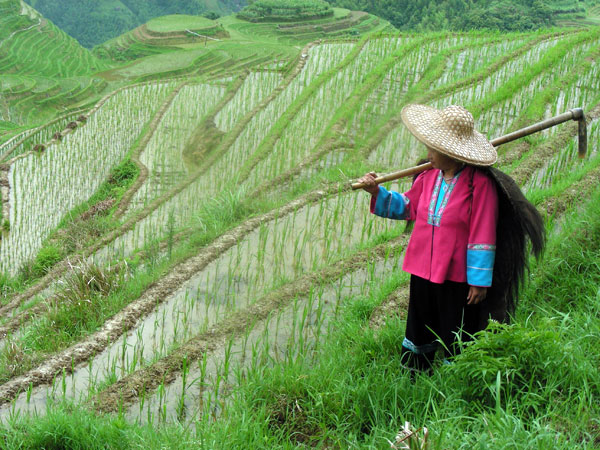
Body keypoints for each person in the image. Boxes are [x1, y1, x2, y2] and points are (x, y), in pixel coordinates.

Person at [358, 104, 499, 372]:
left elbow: (483, 233)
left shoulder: (478, 185)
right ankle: (414, 374)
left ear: (451, 153)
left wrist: (479, 281)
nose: (428, 154)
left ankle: (454, 378)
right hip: (422, 269)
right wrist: (377, 193)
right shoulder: (428, 177)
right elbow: (408, 206)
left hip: (457, 277)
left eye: (434, 149)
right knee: (420, 322)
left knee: (454, 327)